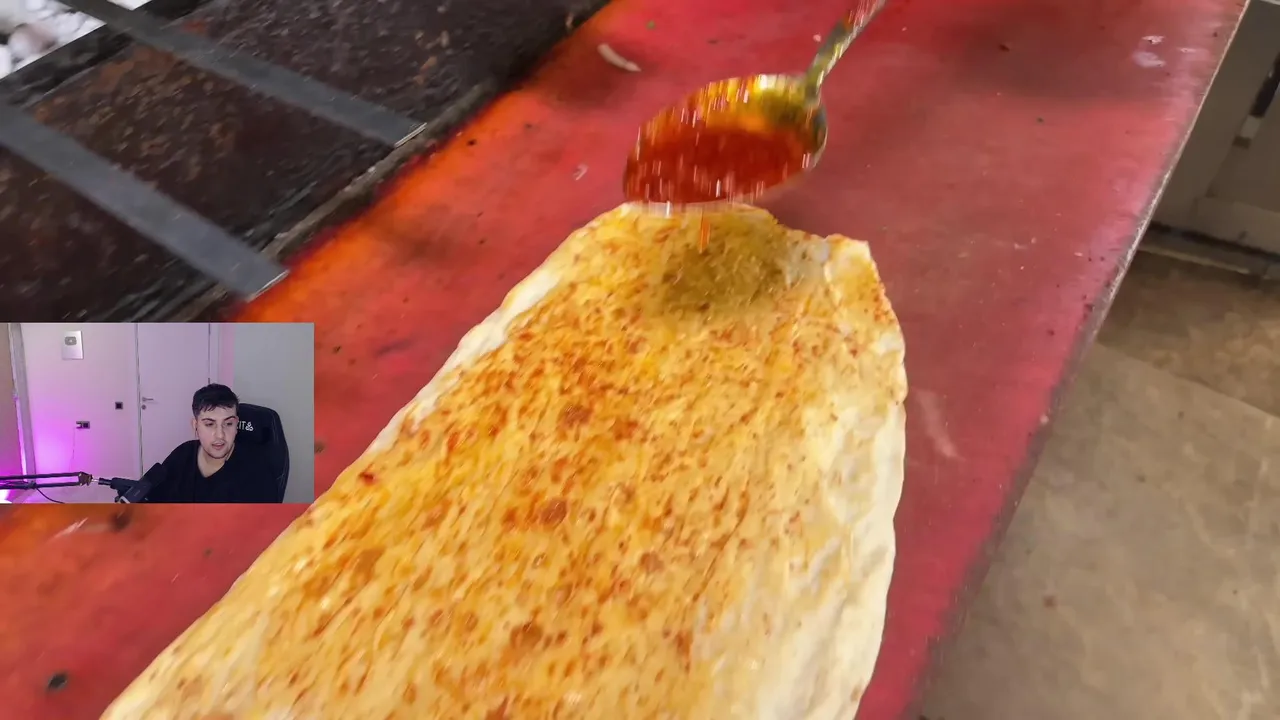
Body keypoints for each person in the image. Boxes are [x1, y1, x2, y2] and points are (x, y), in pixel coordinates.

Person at [144, 384, 278, 503]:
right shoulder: (182, 454)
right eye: (209, 424)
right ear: (195, 425)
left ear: (236, 424)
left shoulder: (257, 470)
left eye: (228, 424)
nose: (220, 435)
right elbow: (153, 499)